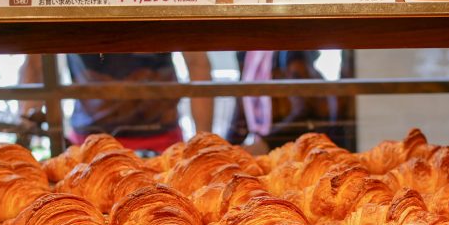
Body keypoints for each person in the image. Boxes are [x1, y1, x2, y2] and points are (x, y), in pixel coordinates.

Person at [20, 52, 213, 154]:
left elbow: (198, 64)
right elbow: (34, 65)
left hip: (161, 143)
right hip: (89, 145)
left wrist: (203, 144)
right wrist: (26, 131)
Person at [225, 50, 355, 153]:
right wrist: (226, 150)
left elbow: (305, 113)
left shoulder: (293, 52)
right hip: (277, 153)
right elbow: (241, 115)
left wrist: (266, 143)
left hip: (306, 153)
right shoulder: (247, 54)